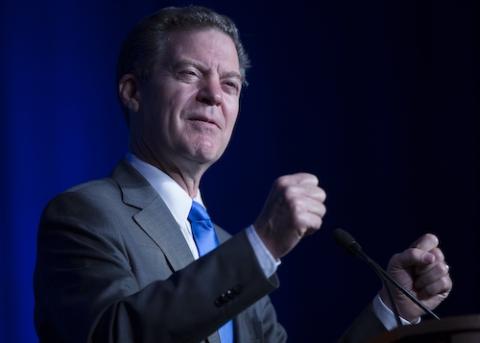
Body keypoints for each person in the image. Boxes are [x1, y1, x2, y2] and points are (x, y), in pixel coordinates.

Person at [34, 6, 452, 343]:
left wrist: (392, 307)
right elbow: (113, 335)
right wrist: (263, 243)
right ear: (132, 91)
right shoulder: (84, 214)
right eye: (190, 73)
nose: (214, 95)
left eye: (230, 84)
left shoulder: (227, 246)